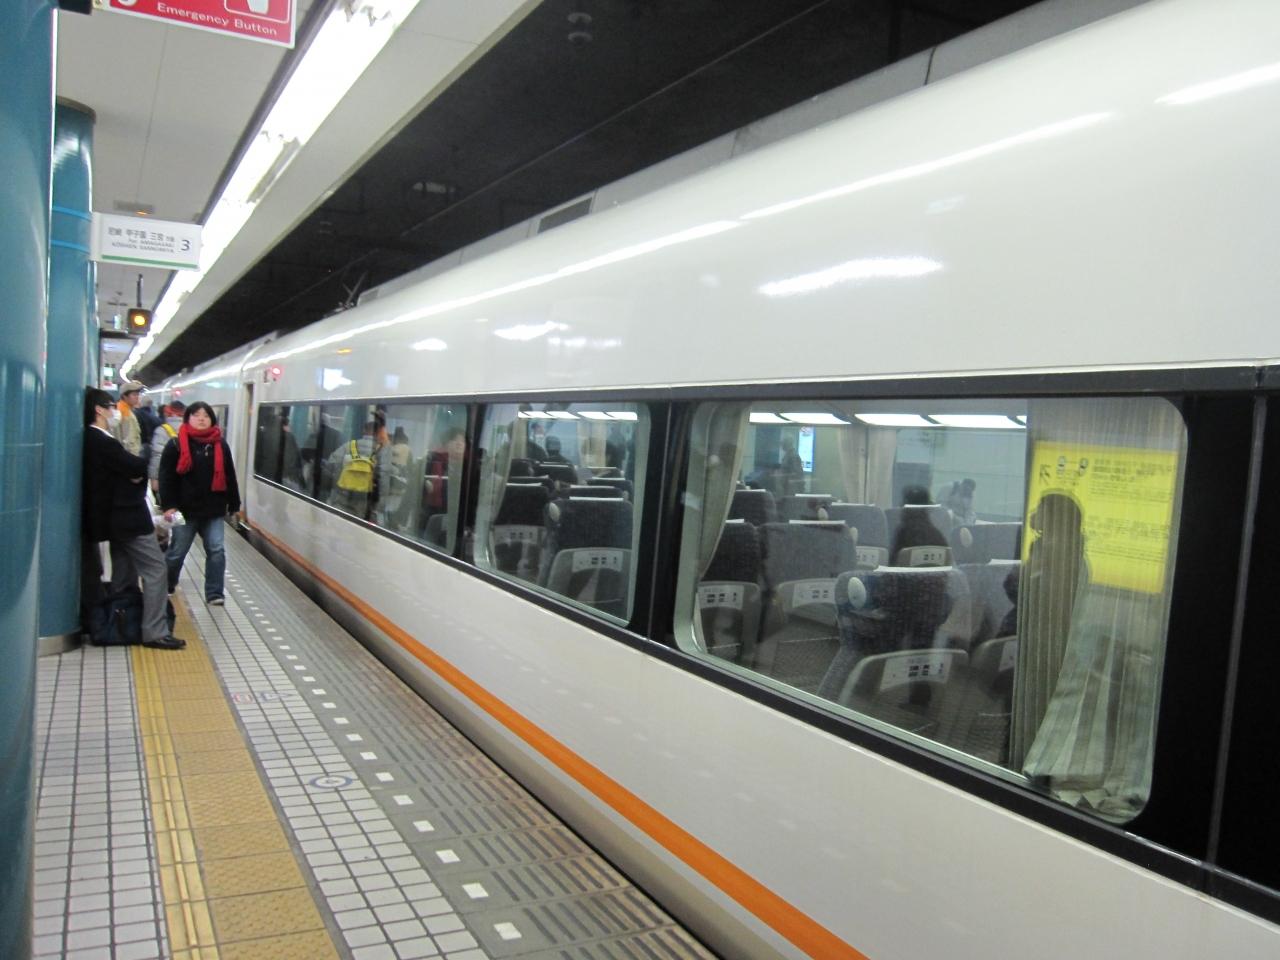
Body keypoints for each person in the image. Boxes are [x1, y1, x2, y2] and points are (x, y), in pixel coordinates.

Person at [82, 387, 184, 649]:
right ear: (99, 410)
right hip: (128, 518)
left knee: (124, 574)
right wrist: (136, 470)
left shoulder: (94, 439)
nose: (115, 411)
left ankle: (119, 623)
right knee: (156, 570)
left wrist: (132, 471)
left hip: (116, 519)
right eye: (111, 406)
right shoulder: (101, 441)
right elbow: (137, 466)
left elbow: (129, 470)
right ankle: (155, 631)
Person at [158, 402, 241, 605]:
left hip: (213, 509)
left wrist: (234, 503)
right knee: (177, 552)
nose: (201, 419)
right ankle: (167, 583)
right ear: (188, 418)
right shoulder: (176, 445)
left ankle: (215, 593)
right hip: (183, 510)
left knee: (216, 550)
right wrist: (168, 505)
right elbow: (166, 477)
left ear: (212, 419)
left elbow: (229, 475)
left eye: (206, 415)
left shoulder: (220, 445)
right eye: (196, 415)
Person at [149, 399, 185, 493]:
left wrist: (154, 478)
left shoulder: (162, 430)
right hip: (187, 478)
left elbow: (157, 456)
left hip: (167, 477)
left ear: (167, 413)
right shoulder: (190, 429)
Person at [112, 380, 145, 455]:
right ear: (125, 396)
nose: (137, 397)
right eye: (134, 395)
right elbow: (129, 442)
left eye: (138, 394)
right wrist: (133, 458)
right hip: (128, 455)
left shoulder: (118, 408)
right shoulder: (125, 413)